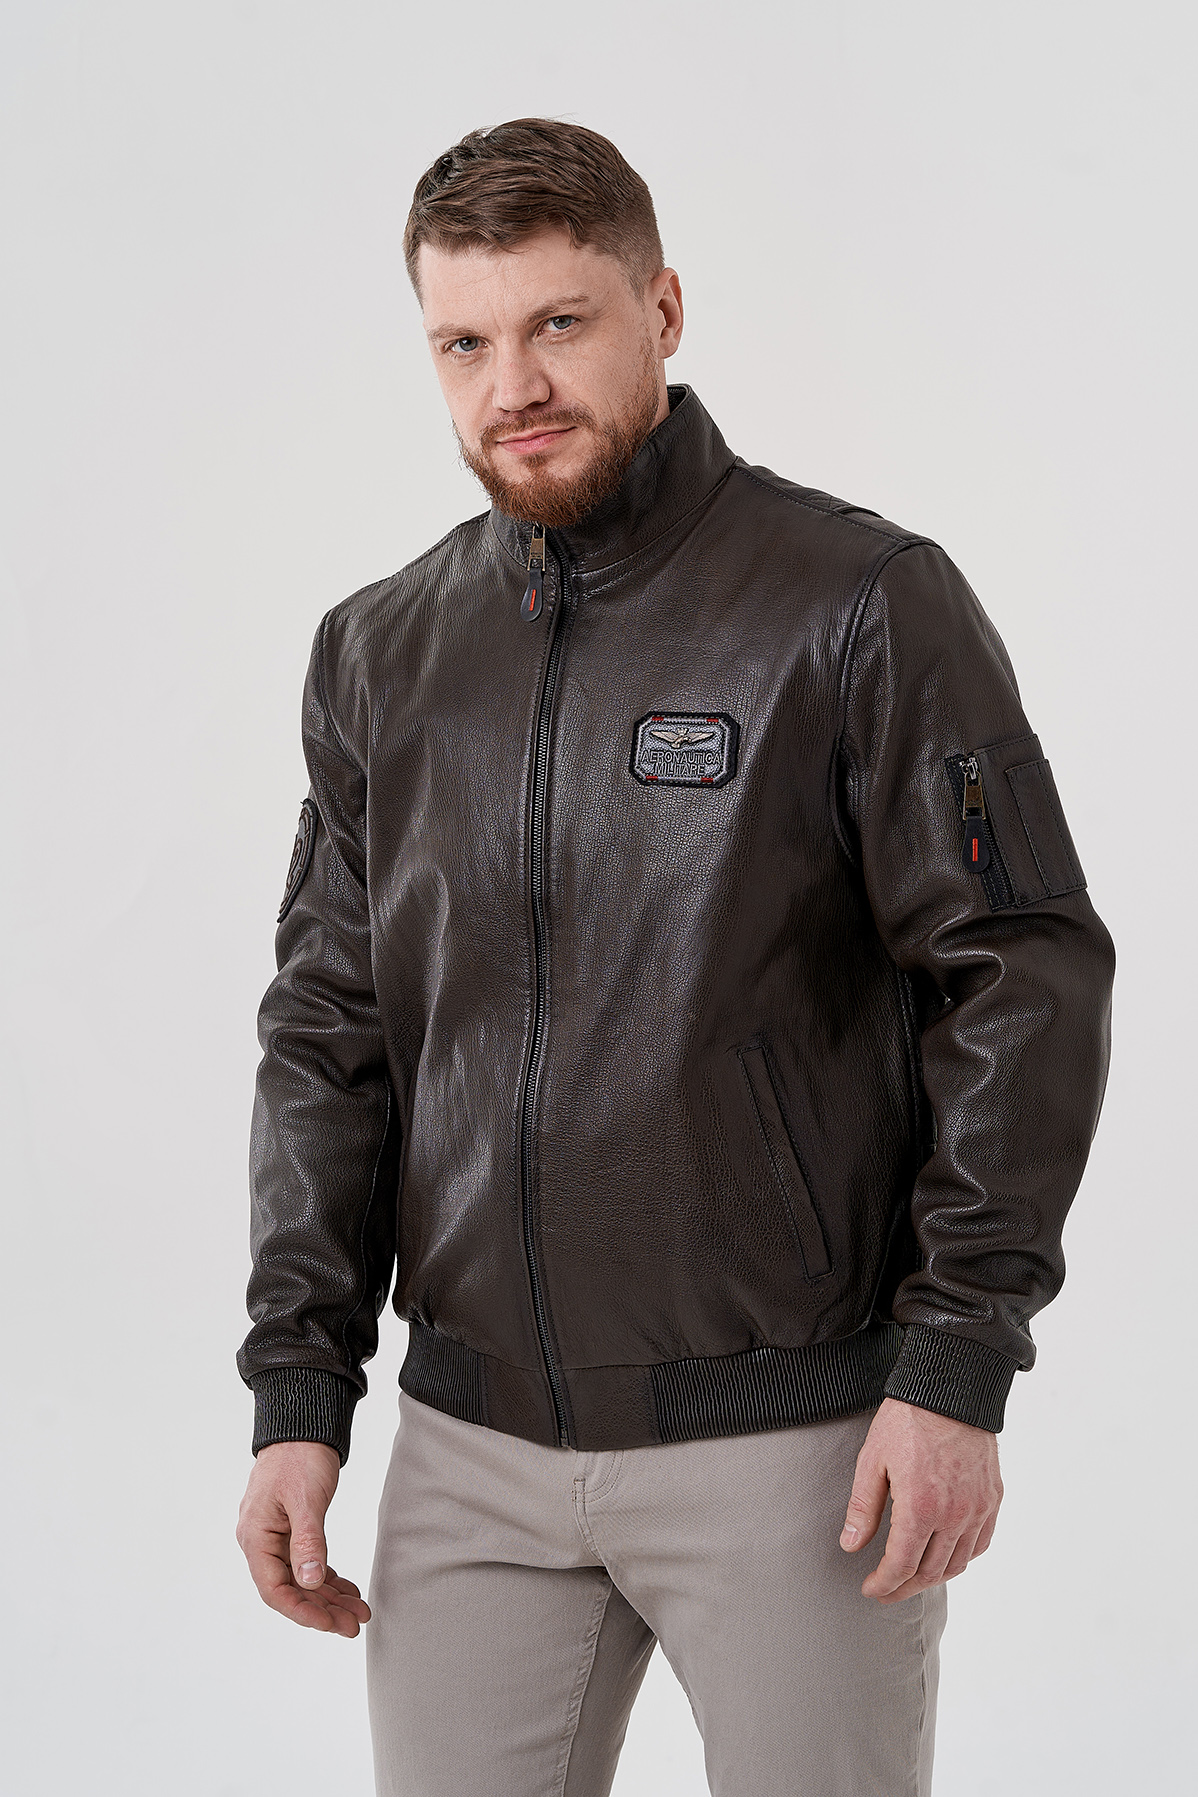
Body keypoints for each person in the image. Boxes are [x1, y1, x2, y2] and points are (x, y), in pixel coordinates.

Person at [235, 118, 1115, 1796]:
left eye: (558, 323)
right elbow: (329, 1036)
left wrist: (955, 1363)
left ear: (662, 309)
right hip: (472, 1455)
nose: (513, 385)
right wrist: (299, 1384)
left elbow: (1022, 977)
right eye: (463, 342)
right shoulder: (378, 652)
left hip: (797, 1446)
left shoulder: (860, 604)